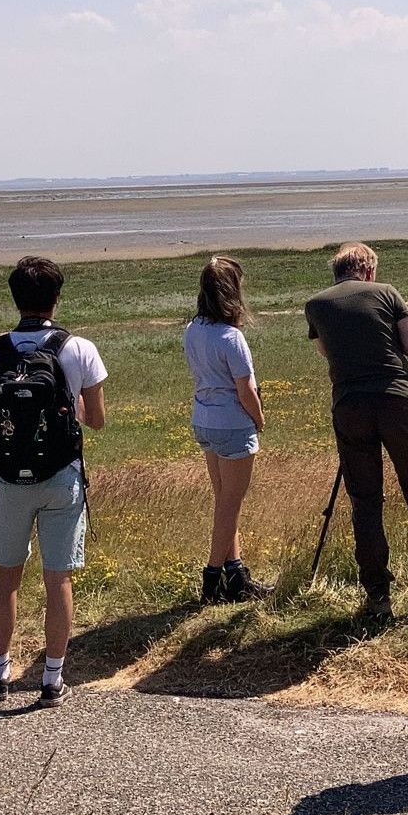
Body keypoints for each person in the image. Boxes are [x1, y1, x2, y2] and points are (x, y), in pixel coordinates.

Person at [0, 256, 107, 707]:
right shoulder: (78, 348)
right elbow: (99, 421)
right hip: (61, 475)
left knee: (6, 577)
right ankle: (51, 679)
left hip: (8, 478)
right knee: (58, 578)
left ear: (15, 298)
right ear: (56, 298)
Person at [304, 242, 408, 621]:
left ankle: (377, 597)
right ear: (368, 270)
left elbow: (325, 351)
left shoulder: (316, 305)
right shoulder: (386, 293)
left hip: (349, 406)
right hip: (396, 402)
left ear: (337, 271)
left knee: (366, 503)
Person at [183, 256, 272, 604]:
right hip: (233, 423)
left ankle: (236, 573)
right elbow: (245, 390)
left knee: (224, 501)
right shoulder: (231, 337)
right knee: (229, 506)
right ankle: (212, 579)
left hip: (204, 419)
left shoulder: (192, 330)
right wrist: (260, 419)